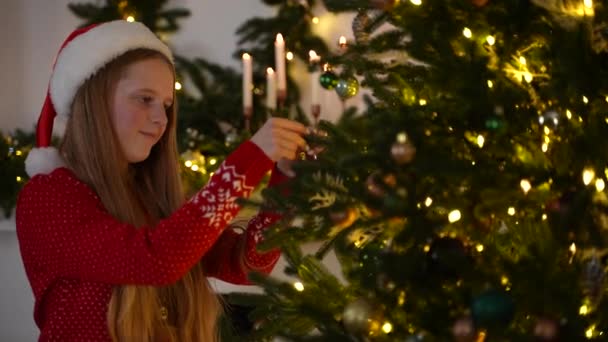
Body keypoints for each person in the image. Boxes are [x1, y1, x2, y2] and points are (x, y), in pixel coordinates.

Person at [16, 20, 307, 341]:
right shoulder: (47, 196)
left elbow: (250, 265)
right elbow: (155, 261)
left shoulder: (152, 198)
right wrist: (251, 157)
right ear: (94, 101)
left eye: (167, 105)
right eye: (144, 99)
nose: (161, 119)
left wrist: (287, 180)